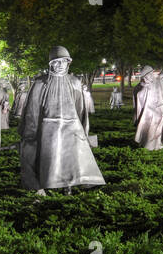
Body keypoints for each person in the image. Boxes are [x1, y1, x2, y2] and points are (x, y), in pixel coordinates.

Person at [19, 46, 105, 195]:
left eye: (63, 62)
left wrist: (82, 129)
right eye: (56, 62)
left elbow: (80, 108)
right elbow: (32, 109)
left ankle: (69, 185)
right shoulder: (40, 83)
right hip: (49, 128)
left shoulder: (74, 82)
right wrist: (30, 131)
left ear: (68, 63)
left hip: (71, 126)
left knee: (71, 158)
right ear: (50, 64)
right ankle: (45, 184)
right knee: (50, 159)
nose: (60, 65)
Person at [133, 65, 163, 150]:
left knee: (156, 122)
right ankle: (147, 146)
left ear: (151, 74)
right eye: (143, 77)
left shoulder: (162, 86)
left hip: (158, 115)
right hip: (146, 116)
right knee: (147, 126)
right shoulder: (139, 88)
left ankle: (154, 147)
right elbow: (137, 105)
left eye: (147, 76)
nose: (145, 79)